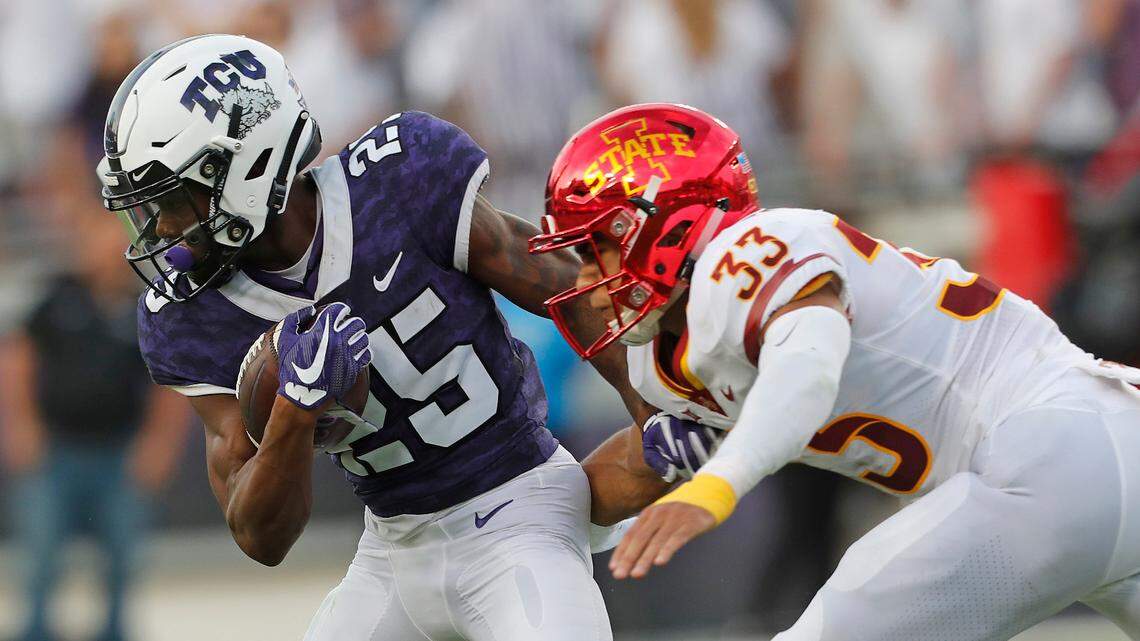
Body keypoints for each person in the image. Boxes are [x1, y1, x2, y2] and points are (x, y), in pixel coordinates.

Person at [95, 34, 660, 641]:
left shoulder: (401, 177)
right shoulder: (190, 314)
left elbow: (570, 293)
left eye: (176, 201)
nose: (164, 230)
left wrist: (662, 418)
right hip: (390, 550)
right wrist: (294, 409)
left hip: (519, 512)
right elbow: (259, 538)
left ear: (247, 168)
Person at [530, 102, 1140, 640]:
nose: (587, 280)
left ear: (670, 226)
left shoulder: (744, 254)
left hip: (1046, 447)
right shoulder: (673, 359)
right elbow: (646, 462)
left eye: (596, 250)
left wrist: (717, 489)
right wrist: (516, 517)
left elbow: (808, 364)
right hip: (1104, 445)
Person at [0, 212, 189, 641]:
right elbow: (18, 357)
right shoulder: (57, 297)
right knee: (41, 557)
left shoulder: (146, 308)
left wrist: (158, 445)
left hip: (118, 453)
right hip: (56, 451)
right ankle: (34, 631)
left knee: (123, 558)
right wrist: (22, 426)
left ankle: (114, 632)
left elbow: (170, 382)